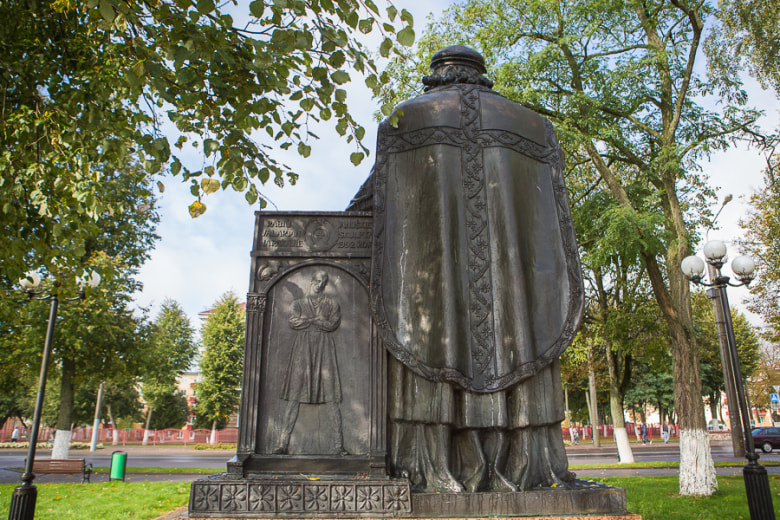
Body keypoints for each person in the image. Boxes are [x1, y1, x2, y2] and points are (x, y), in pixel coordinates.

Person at [349, 46, 584, 493]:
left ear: (437, 75)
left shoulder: (409, 118)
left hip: (430, 284)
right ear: (481, 74)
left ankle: (431, 464)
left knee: (427, 339)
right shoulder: (531, 125)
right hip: (511, 291)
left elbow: (370, 202)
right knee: (515, 342)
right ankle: (526, 463)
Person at [275, 270, 346, 455]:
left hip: (324, 349)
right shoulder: (298, 304)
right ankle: (283, 443)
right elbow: (294, 322)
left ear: (325, 284)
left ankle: (339, 445)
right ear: (312, 281)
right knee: (294, 394)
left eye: (323, 281)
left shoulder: (332, 304)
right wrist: (317, 320)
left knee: (331, 395)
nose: (319, 284)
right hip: (302, 349)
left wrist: (310, 321)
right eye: (317, 280)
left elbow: (332, 324)